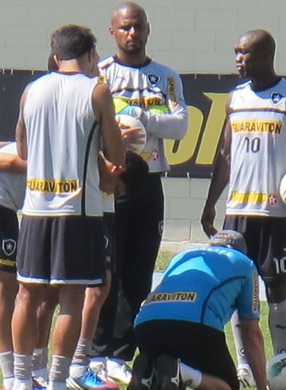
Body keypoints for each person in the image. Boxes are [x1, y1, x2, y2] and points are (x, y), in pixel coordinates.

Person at [200, 29, 286, 387]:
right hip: (238, 211)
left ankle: (281, 359)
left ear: (265, 55)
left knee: (276, 289)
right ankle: (244, 365)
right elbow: (225, 154)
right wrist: (211, 202)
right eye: (236, 52)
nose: (238, 59)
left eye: (244, 53)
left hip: (278, 214)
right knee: (240, 288)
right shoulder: (235, 98)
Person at [11, 24, 125, 390]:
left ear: (56, 55)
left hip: (35, 209)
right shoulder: (97, 90)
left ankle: (19, 380)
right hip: (78, 211)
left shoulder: (32, 90)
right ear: (91, 55)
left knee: (26, 294)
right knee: (72, 298)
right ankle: (59, 380)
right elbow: (117, 154)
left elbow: (24, 150)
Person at [92, 2, 188, 384]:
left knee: (138, 270)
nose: (133, 34)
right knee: (104, 269)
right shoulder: (99, 72)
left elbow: (179, 125)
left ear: (148, 30)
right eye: (125, 28)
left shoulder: (164, 77)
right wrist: (114, 130)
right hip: (109, 180)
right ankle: (95, 351)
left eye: (139, 27)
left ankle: (121, 353)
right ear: (112, 32)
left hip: (149, 181)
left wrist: (142, 119)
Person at [130, 230, 267, 390]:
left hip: (145, 323)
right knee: (227, 386)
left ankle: (147, 374)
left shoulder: (181, 256)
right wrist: (262, 387)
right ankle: (183, 373)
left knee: (166, 375)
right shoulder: (245, 263)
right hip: (195, 324)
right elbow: (251, 333)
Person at [69, 150, 149, 390]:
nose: (111, 191)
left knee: (100, 287)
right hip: (69, 211)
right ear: (118, 170)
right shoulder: (88, 153)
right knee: (83, 289)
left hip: (99, 213)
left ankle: (75, 366)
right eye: (115, 189)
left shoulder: (101, 163)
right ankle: (74, 367)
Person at [0, 142, 26, 390]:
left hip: (8, 210)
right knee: (6, 291)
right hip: (2, 208)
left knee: (8, 290)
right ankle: (9, 376)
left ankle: (12, 376)